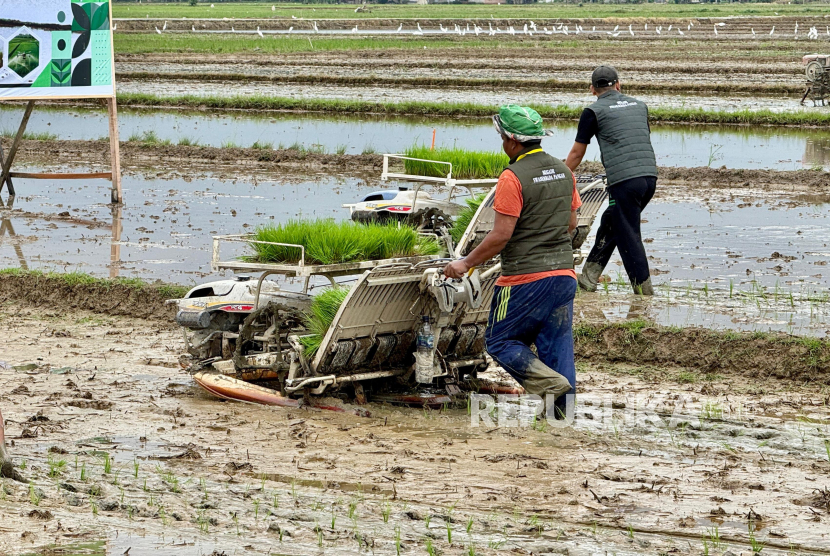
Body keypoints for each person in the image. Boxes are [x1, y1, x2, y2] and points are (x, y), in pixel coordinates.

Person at [444, 105, 581, 418]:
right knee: (557, 348)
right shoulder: (564, 171)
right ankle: (562, 417)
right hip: (563, 276)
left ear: (512, 142)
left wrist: (465, 263)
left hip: (525, 278)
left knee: (500, 340)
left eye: (502, 137)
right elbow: (571, 224)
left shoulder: (512, 177)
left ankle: (548, 385)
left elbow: (501, 235)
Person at [564, 65, 658, 295]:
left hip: (624, 183)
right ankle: (588, 279)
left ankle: (645, 294)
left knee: (628, 235)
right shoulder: (639, 105)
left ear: (592, 90)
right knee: (612, 222)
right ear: (618, 84)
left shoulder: (593, 111)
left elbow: (577, 154)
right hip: (649, 178)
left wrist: (561, 175)